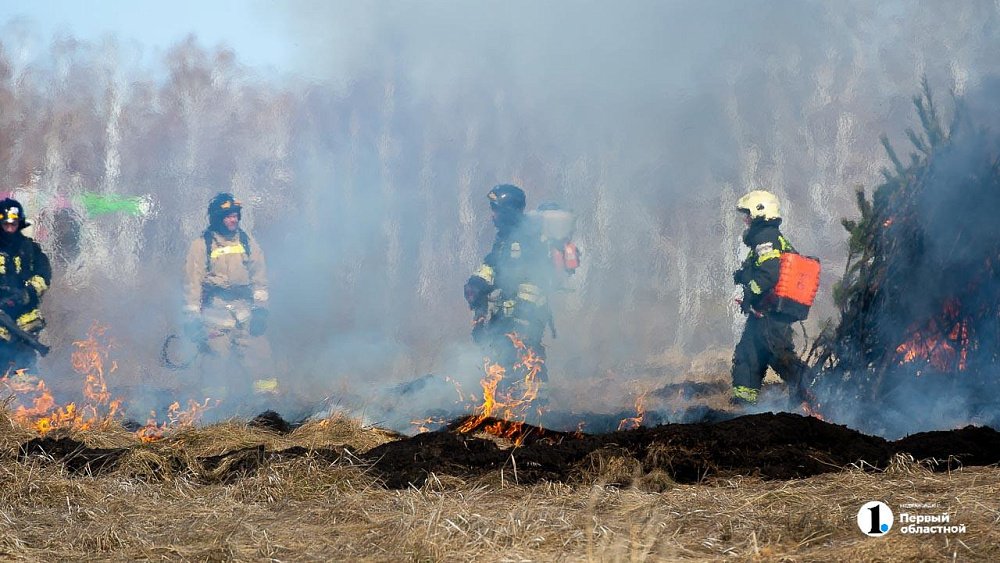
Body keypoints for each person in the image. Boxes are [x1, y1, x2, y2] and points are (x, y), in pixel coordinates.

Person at [183, 193, 275, 403]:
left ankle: (269, 407)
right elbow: (191, 284)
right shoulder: (202, 245)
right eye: (228, 216)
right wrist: (191, 319)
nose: (234, 219)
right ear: (217, 218)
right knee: (215, 363)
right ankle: (213, 411)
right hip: (215, 314)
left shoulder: (246, 241)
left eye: (236, 215)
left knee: (261, 357)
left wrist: (261, 309)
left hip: (245, 311)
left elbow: (260, 277)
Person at [464, 184, 554, 399]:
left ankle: (536, 410)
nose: (492, 215)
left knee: (527, 357)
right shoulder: (505, 237)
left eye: (495, 209)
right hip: (509, 310)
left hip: (526, 312)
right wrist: (477, 283)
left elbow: (535, 277)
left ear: (507, 211)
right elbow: (494, 265)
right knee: (503, 359)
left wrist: (520, 313)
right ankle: (508, 407)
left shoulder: (528, 238)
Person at [731, 190, 807, 406]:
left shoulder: (766, 237)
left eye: (748, 214)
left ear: (759, 212)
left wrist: (748, 292)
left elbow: (769, 273)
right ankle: (744, 403)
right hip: (765, 312)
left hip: (772, 313)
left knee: (779, 356)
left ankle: (813, 389)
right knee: (748, 354)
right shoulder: (765, 236)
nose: (745, 219)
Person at [0, 198, 51, 374]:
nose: (9, 229)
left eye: (13, 224)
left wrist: (28, 292)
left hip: (25, 315)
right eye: (5, 224)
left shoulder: (30, 249)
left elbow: (44, 275)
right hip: (1, 315)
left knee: (26, 370)